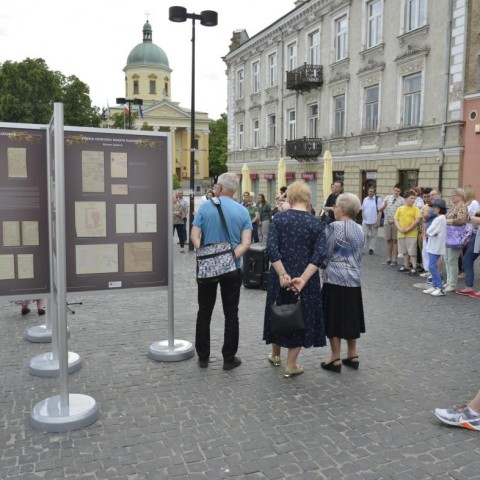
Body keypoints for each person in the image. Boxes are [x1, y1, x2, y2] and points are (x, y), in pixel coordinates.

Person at [263, 181, 326, 378]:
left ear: (289, 198)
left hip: (279, 276)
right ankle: (291, 364)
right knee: (301, 317)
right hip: (305, 280)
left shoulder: (279, 220)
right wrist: (303, 279)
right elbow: (319, 255)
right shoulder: (317, 223)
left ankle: (275, 355)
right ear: (308, 200)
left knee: (278, 311)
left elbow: (271, 250)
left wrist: (282, 274)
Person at [297, 193, 365, 374]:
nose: (333, 209)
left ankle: (335, 357)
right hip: (354, 278)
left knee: (334, 317)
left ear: (341, 209)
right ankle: (353, 354)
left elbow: (325, 253)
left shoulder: (333, 227)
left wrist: (321, 267)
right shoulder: (360, 228)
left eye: (335, 207)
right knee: (351, 316)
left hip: (335, 278)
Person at [191, 172, 252, 370]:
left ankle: (203, 357)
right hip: (232, 269)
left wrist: (205, 252)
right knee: (231, 313)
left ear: (220, 188)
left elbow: (194, 236)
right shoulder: (243, 211)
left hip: (208, 269)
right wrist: (229, 257)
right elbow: (246, 243)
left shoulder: (206, 207)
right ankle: (228, 358)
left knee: (204, 312)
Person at [443, 188, 468, 292]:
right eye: (452, 195)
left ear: (461, 196)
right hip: (449, 235)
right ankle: (449, 281)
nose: (452, 197)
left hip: (456, 236)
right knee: (447, 259)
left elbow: (462, 220)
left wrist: (447, 221)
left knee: (452, 259)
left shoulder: (463, 207)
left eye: (454, 195)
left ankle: (452, 284)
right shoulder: (454, 207)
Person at [423, 199, 447, 296]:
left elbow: (430, 231)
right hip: (434, 245)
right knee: (432, 266)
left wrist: (428, 231)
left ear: (440, 209)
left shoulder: (440, 219)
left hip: (436, 246)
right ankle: (434, 285)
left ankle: (440, 287)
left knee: (432, 266)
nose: (433, 209)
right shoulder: (439, 218)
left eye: (435, 207)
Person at [394, 190, 422, 275]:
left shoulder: (415, 208)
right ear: (406, 198)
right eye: (411, 198)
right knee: (404, 251)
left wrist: (408, 229)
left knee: (412, 251)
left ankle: (414, 267)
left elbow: (417, 220)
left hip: (411, 234)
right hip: (401, 233)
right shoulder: (400, 208)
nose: (413, 200)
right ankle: (406, 266)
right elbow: (396, 219)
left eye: (414, 198)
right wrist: (399, 228)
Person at [455, 204, 480, 297]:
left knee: (467, 259)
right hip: (476, 235)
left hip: (477, 236)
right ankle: (468, 287)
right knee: (467, 259)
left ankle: (469, 287)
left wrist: (472, 217)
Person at [379, 184, 405, 266]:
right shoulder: (387, 198)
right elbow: (380, 209)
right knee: (388, 240)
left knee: (395, 241)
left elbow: (402, 213)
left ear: (400, 192)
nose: (396, 192)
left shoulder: (402, 200)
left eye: (398, 191)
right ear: (393, 190)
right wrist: (384, 205)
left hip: (396, 223)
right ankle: (388, 259)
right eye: (395, 190)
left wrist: (394, 221)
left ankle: (394, 260)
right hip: (387, 222)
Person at [361, 186, 382, 255]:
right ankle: (362, 249)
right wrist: (363, 217)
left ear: (375, 192)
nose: (370, 193)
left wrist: (378, 221)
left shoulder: (378, 199)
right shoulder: (365, 199)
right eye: (369, 191)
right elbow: (363, 209)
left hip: (374, 220)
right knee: (363, 235)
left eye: (372, 191)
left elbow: (380, 211)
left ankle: (371, 249)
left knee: (373, 235)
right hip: (366, 221)